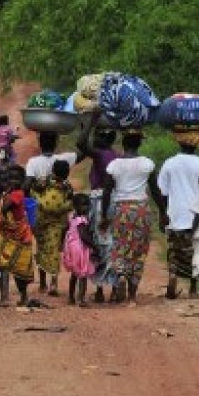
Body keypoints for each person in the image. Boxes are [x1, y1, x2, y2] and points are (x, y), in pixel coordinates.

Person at [101, 129, 163, 307]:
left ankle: (120, 274)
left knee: (120, 246)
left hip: (122, 209)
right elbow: (155, 191)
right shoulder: (147, 164)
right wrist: (163, 212)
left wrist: (105, 215)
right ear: (139, 143)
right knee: (139, 250)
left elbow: (107, 192)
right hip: (141, 210)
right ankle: (132, 298)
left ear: (123, 143)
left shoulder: (114, 165)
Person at [156, 127, 199, 299]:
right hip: (198, 218)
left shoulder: (169, 163)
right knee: (195, 252)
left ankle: (173, 275)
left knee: (174, 251)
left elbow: (162, 193)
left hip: (176, 215)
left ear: (179, 141)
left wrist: (162, 214)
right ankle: (194, 287)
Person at [76, 110, 120, 302]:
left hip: (99, 202)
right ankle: (114, 288)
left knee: (99, 242)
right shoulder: (116, 156)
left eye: (96, 136)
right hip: (113, 202)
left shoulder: (100, 155)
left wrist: (91, 122)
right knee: (112, 243)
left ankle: (101, 289)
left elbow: (80, 144)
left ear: (102, 139)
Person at [0, 164, 35, 307]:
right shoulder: (10, 193)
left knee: (19, 271)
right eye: (10, 178)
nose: (12, 181)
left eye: (16, 178)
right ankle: (6, 297)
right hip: (10, 235)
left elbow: (4, 207)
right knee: (5, 266)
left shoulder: (17, 194)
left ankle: (22, 296)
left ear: (22, 181)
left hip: (19, 236)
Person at [31, 159, 75, 296]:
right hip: (45, 221)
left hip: (52, 222)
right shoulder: (51, 182)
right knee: (49, 250)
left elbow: (70, 201)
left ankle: (50, 283)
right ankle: (47, 283)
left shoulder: (51, 182)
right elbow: (70, 201)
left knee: (48, 250)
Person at [62, 193, 96, 307]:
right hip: (80, 248)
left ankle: (71, 297)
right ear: (76, 206)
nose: (86, 208)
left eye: (87, 205)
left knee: (74, 274)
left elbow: (65, 230)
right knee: (83, 275)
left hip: (72, 248)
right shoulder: (82, 220)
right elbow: (83, 235)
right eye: (83, 205)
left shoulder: (73, 217)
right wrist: (93, 245)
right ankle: (81, 299)